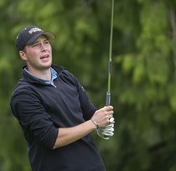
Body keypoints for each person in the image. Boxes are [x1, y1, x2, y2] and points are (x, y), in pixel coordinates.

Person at [10, 25, 115, 171]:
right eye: (36, 45)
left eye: (46, 42)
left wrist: (103, 121)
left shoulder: (66, 77)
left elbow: (90, 114)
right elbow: (52, 139)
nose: (44, 48)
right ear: (23, 55)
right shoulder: (23, 95)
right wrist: (94, 123)